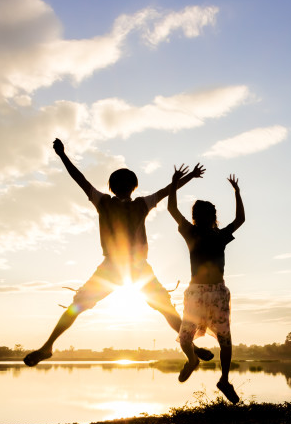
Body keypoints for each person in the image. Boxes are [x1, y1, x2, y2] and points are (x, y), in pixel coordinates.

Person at [23, 139, 215, 367]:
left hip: (132, 268)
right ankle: (47, 347)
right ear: (116, 187)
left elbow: (166, 191)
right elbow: (80, 179)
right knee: (79, 306)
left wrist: (188, 177)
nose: (123, 186)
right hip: (116, 267)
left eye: (126, 183)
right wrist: (63, 156)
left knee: (165, 309)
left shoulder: (132, 203)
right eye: (121, 183)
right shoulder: (108, 202)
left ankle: (191, 347)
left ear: (130, 187)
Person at [168, 165, 245, 403]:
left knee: (225, 339)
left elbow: (240, 219)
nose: (202, 218)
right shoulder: (192, 232)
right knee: (185, 338)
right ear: (196, 218)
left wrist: (237, 193)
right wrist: (174, 183)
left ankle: (224, 380)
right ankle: (193, 360)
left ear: (211, 217)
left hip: (217, 292)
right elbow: (171, 208)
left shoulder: (218, 235)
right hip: (198, 292)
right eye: (199, 214)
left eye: (206, 214)